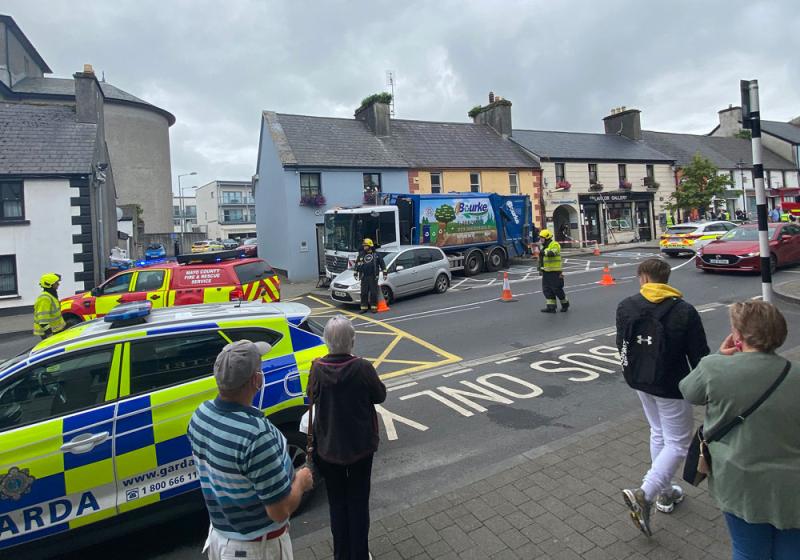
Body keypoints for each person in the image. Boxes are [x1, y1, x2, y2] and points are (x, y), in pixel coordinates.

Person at [679, 302, 799, 559]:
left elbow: (689, 391)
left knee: (748, 550)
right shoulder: (796, 374)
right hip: (792, 486)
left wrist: (720, 357)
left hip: (739, 482)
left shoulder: (714, 368)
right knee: (791, 550)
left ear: (738, 336)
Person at [188, 340, 314, 560]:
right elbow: (279, 511)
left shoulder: (201, 415)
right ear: (257, 380)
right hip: (256, 549)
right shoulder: (256, 435)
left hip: (219, 538)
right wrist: (301, 482)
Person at [615, 258, 709, 536]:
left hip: (640, 381)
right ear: (666, 279)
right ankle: (645, 493)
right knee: (678, 443)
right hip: (672, 386)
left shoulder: (626, 305)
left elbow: (621, 344)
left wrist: (632, 371)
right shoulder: (684, 310)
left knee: (658, 432)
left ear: (643, 278)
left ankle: (665, 492)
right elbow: (699, 356)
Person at [308, 316, 387, 560]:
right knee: (358, 503)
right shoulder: (362, 367)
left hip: (329, 448)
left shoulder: (317, 368)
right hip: (360, 447)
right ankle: (359, 554)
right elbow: (380, 395)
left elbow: (310, 396)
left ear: (326, 341)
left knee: (337, 503)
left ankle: (341, 554)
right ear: (352, 341)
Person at [537, 229, 568, 313]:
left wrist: (543, 252)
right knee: (547, 290)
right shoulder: (543, 246)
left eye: (542, 238)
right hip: (546, 272)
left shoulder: (554, 244)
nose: (541, 240)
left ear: (547, 238)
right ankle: (551, 307)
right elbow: (541, 260)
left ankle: (565, 304)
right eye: (540, 238)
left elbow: (552, 253)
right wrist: (540, 269)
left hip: (555, 272)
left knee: (557, 289)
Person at [354, 238, 387, 313]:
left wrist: (385, 273)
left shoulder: (376, 255)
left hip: (373, 276)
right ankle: (364, 307)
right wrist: (355, 272)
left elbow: (382, 264)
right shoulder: (361, 254)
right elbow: (357, 264)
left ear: (370, 246)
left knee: (373, 292)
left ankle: (373, 307)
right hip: (364, 276)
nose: (364, 247)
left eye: (366, 246)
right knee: (364, 292)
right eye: (364, 246)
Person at [33, 272, 66, 339]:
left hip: (56, 330)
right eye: (56, 283)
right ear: (49, 285)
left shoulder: (51, 294)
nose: (58, 284)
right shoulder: (44, 298)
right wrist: (49, 335)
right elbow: (43, 321)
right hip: (50, 332)